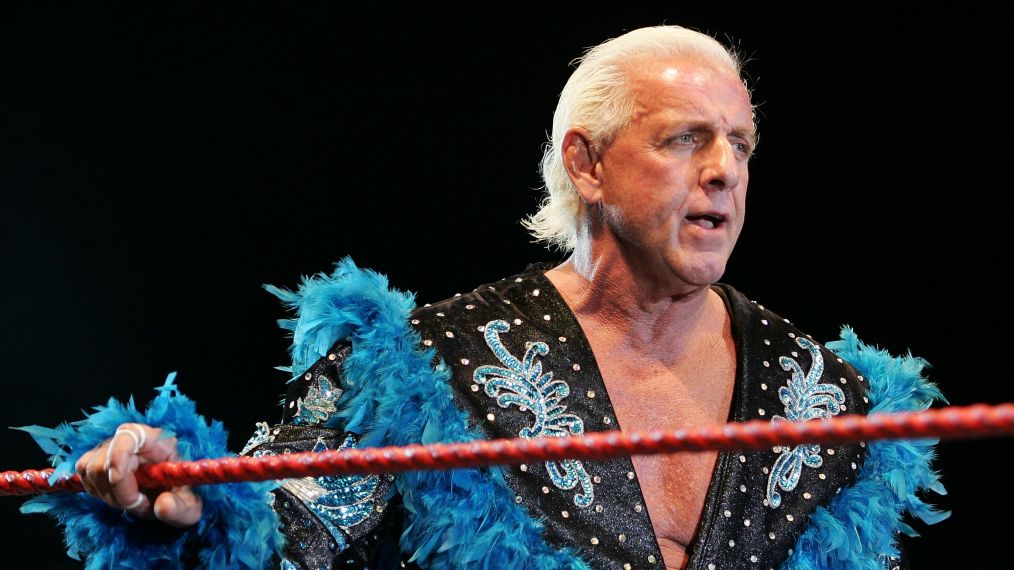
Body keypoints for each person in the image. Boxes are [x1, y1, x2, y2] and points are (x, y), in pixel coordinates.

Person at [21, 24, 947, 569]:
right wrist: (175, 502)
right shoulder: (428, 367)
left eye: (739, 146)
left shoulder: (831, 400)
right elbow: (279, 525)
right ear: (585, 162)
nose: (723, 174)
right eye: (684, 140)